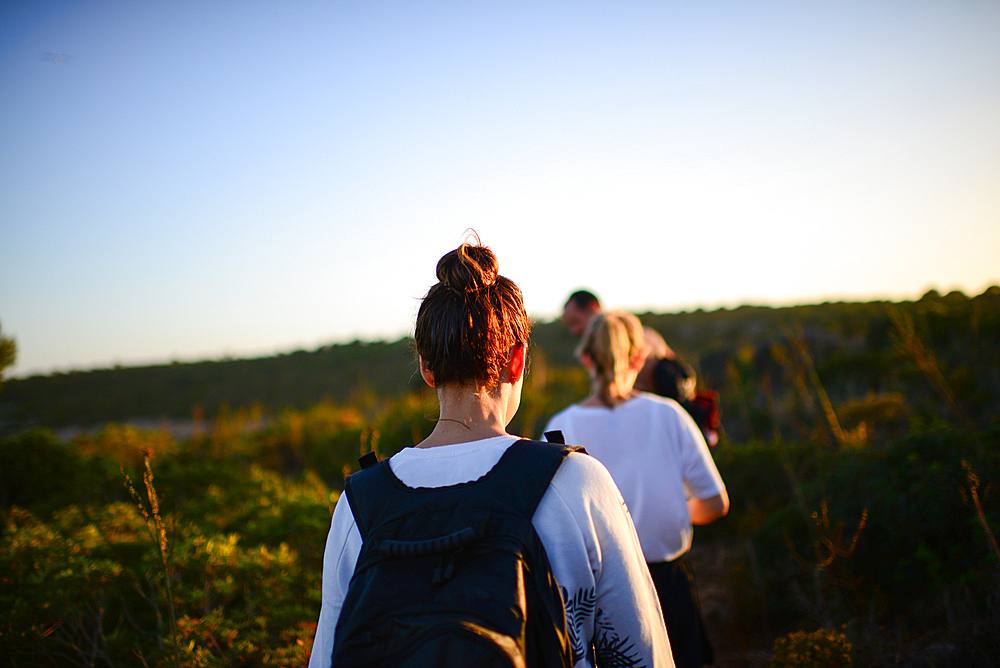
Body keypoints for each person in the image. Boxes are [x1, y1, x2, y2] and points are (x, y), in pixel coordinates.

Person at [308, 239, 674, 667]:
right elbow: (643, 654)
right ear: (518, 361)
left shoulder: (360, 503)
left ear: (426, 368)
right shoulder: (576, 482)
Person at [544, 311, 729, 668]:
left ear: (585, 358)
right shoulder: (671, 414)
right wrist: (673, 509)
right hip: (670, 584)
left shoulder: (560, 426)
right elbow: (715, 502)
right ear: (639, 358)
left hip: (597, 593)